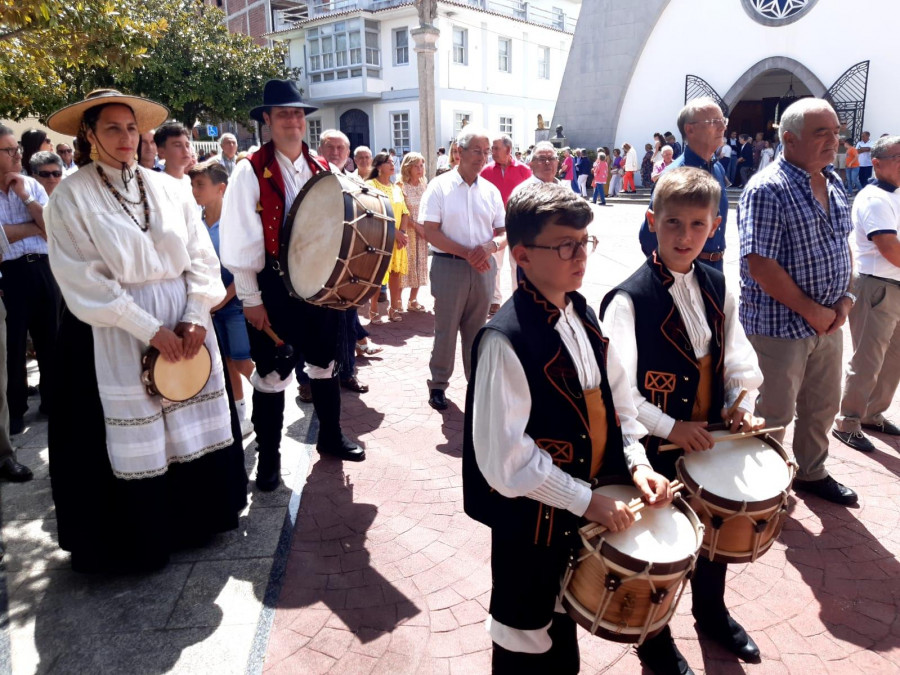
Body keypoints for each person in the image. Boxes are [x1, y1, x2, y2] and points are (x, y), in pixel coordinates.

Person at [463, 183, 671, 673]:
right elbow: (505, 463)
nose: (580, 256)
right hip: (530, 528)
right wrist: (587, 500)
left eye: (585, 242)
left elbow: (618, 404)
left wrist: (637, 464)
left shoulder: (580, 311)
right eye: (565, 245)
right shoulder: (504, 340)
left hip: (575, 514)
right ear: (521, 255)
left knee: (563, 639)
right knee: (524, 640)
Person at [43, 88, 247, 573]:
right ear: (88, 135)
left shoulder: (169, 189)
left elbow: (201, 257)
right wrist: (150, 329)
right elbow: (82, 278)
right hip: (113, 328)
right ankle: (137, 539)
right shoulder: (70, 196)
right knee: (132, 435)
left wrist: (197, 314)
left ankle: (197, 520)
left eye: (132, 127)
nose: (126, 137)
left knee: (189, 422)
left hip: (185, 317)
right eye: (112, 128)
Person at [602, 167, 764, 674]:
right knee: (663, 549)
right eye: (673, 223)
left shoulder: (719, 287)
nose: (684, 236)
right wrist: (671, 428)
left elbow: (736, 360)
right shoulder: (628, 300)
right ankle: (654, 639)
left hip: (709, 444)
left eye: (697, 225)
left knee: (713, 537)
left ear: (714, 226)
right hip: (652, 450)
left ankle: (711, 614)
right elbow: (619, 394)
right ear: (652, 222)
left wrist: (741, 402)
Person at [221, 80, 364, 479]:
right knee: (272, 372)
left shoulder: (325, 168)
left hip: (322, 288)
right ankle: (269, 460)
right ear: (266, 120)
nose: (293, 120)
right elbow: (239, 241)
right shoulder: (249, 170)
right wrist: (250, 298)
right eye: (283, 113)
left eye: (298, 113)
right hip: (273, 288)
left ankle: (330, 437)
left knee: (325, 363)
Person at [738, 97, 858, 506]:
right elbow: (761, 265)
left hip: (829, 321)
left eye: (836, 132)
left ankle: (811, 472)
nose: (834, 141)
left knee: (823, 406)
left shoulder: (834, 181)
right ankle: (763, 485)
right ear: (789, 139)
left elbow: (843, 245)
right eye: (821, 133)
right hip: (780, 326)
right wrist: (814, 311)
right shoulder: (767, 188)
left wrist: (844, 301)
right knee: (773, 414)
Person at [421, 127, 505, 411]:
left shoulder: (490, 190)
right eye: (477, 151)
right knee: (445, 329)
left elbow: (506, 231)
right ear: (460, 151)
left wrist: (491, 247)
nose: (483, 157)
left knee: (477, 330)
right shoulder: (439, 186)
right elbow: (430, 231)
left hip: (483, 268)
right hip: (449, 266)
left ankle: (477, 385)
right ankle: (438, 385)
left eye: (487, 152)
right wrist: (468, 253)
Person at [832, 135, 900, 453]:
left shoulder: (895, 194)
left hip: (893, 286)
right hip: (876, 286)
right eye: (899, 156)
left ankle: (873, 413)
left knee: (893, 358)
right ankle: (848, 421)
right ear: (877, 162)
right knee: (868, 358)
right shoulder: (875, 198)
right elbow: (889, 247)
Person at [0, 126, 59, 436]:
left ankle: (52, 402)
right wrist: (33, 226)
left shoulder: (32, 186)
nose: (17, 155)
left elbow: (50, 228)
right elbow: (0, 238)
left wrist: (25, 200)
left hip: (45, 269)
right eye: (9, 150)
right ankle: (17, 408)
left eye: (17, 149)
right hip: (10, 275)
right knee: (13, 345)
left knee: (51, 339)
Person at [189, 160, 254, 437]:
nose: (194, 190)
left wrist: (223, 300)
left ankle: (269, 397)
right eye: (192, 184)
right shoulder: (196, 222)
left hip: (234, 304)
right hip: (211, 307)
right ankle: (240, 416)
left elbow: (245, 268)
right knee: (225, 362)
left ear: (221, 188)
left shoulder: (235, 222)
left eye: (200, 184)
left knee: (241, 360)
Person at [317, 129, 380, 392]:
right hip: (317, 263)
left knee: (347, 320)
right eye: (330, 148)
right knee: (317, 326)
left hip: (347, 263)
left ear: (348, 153)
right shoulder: (313, 179)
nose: (335, 153)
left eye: (340, 148)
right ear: (320, 150)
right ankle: (313, 379)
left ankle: (347, 373)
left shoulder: (355, 182)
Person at [639, 98, 730, 272]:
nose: (722, 127)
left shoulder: (717, 168)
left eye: (723, 121)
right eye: (714, 122)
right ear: (690, 129)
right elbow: (649, 237)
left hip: (715, 270)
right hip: (686, 272)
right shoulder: (673, 175)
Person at [481, 134, 532, 315]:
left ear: (508, 150)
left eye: (496, 148)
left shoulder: (524, 170)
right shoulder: (486, 171)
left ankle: (517, 299)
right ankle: (494, 300)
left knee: (518, 265)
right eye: (492, 149)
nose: (492, 152)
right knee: (494, 265)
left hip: (518, 226)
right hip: (494, 228)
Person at [366, 152, 410, 323]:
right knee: (377, 275)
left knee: (395, 274)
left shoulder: (396, 188)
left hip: (398, 239)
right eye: (388, 162)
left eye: (393, 162)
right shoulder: (370, 185)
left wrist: (403, 233)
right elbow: (371, 212)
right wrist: (394, 232)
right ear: (378, 166)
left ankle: (393, 308)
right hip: (380, 237)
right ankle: (374, 310)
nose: (392, 165)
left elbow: (405, 212)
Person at [398, 152, 429, 312]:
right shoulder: (401, 186)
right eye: (416, 166)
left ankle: (413, 300)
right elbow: (401, 212)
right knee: (405, 266)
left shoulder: (425, 185)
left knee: (420, 265)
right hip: (408, 231)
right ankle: (397, 302)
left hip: (422, 233)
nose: (419, 169)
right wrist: (416, 226)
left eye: (421, 165)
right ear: (408, 167)